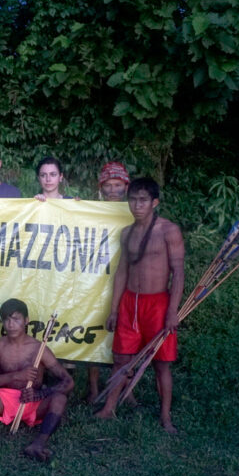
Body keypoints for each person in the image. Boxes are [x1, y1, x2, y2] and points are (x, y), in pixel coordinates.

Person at [95, 178, 185, 434]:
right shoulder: (127, 232)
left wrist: (172, 311)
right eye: (133, 199)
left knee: (161, 363)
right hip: (129, 302)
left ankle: (165, 416)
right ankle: (108, 408)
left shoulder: (169, 231)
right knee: (121, 359)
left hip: (158, 303)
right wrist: (114, 308)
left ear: (154, 202)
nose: (137, 205)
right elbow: (122, 271)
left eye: (143, 200)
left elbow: (178, 273)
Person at [0, 299, 73, 460]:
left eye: (16, 319)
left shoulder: (38, 348)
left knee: (60, 398)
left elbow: (68, 381)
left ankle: (39, 443)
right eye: (7, 319)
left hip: (32, 401)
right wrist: (15, 376)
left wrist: (40, 395)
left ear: (26, 321)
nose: (11, 324)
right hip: (4, 400)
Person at [87, 160, 132, 404]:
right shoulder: (93, 209)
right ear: (101, 188)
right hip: (96, 280)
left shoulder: (134, 211)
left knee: (126, 335)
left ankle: (126, 386)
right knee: (94, 330)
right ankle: (93, 386)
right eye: (108, 185)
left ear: (126, 186)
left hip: (126, 280)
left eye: (118, 185)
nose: (113, 190)